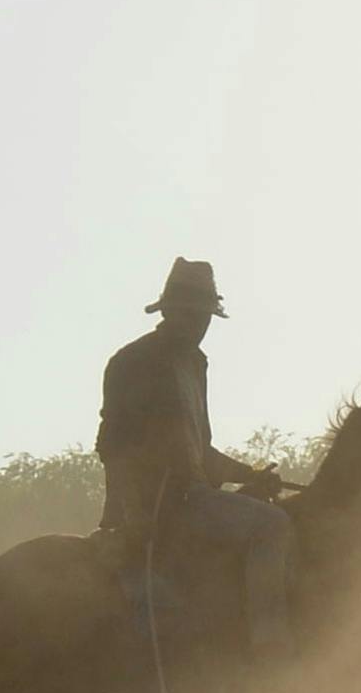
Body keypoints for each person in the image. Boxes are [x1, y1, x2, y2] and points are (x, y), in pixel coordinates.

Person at [95, 259, 294, 670]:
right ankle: (270, 660)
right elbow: (113, 445)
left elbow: (200, 451)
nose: (200, 324)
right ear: (169, 311)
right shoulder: (134, 361)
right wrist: (131, 515)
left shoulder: (195, 364)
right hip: (164, 505)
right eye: (193, 313)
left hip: (194, 495)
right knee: (272, 526)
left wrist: (250, 476)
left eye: (205, 316)